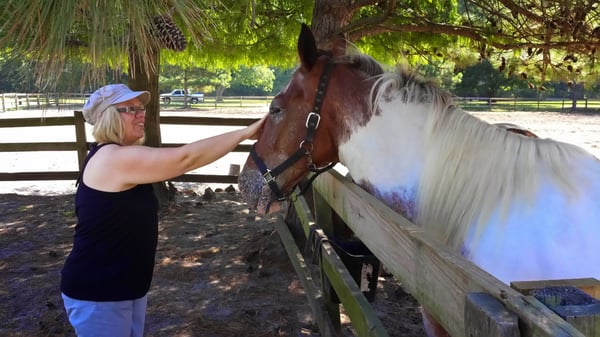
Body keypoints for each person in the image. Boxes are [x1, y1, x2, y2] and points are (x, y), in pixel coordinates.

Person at [60, 84, 266, 337]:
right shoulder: (112, 158)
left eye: (141, 108)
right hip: (99, 291)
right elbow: (184, 159)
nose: (141, 114)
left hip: (124, 286)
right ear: (109, 116)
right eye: (131, 109)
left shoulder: (118, 156)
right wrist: (245, 133)